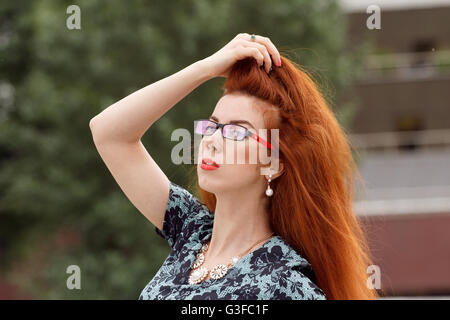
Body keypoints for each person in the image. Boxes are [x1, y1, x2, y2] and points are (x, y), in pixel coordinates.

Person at [89, 33, 378, 300]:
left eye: (237, 132)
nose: (213, 140)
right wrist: (206, 68)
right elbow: (109, 133)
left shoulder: (286, 285)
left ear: (273, 164)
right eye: (213, 125)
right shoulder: (190, 231)